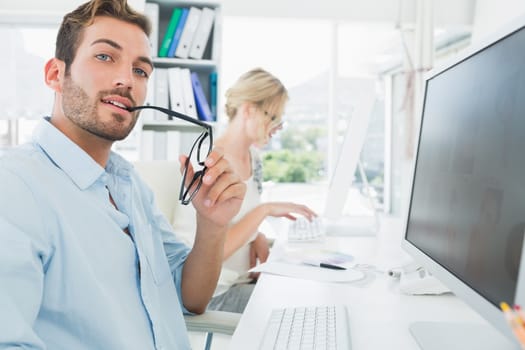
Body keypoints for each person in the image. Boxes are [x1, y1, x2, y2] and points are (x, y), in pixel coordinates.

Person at [0, 0, 245, 349]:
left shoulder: (128, 183)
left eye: (141, 70)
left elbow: (190, 297)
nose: (126, 80)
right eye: (104, 56)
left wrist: (213, 224)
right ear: (56, 75)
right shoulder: (14, 189)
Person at [173, 68, 317, 313]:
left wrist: (255, 236)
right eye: (273, 117)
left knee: (305, 285)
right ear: (249, 109)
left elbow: (237, 216)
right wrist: (264, 211)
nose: (278, 127)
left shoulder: (254, 158)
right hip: (214, 293)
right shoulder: (208, 161)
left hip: (241, 280)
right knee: (302, 301)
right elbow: (205, 251)